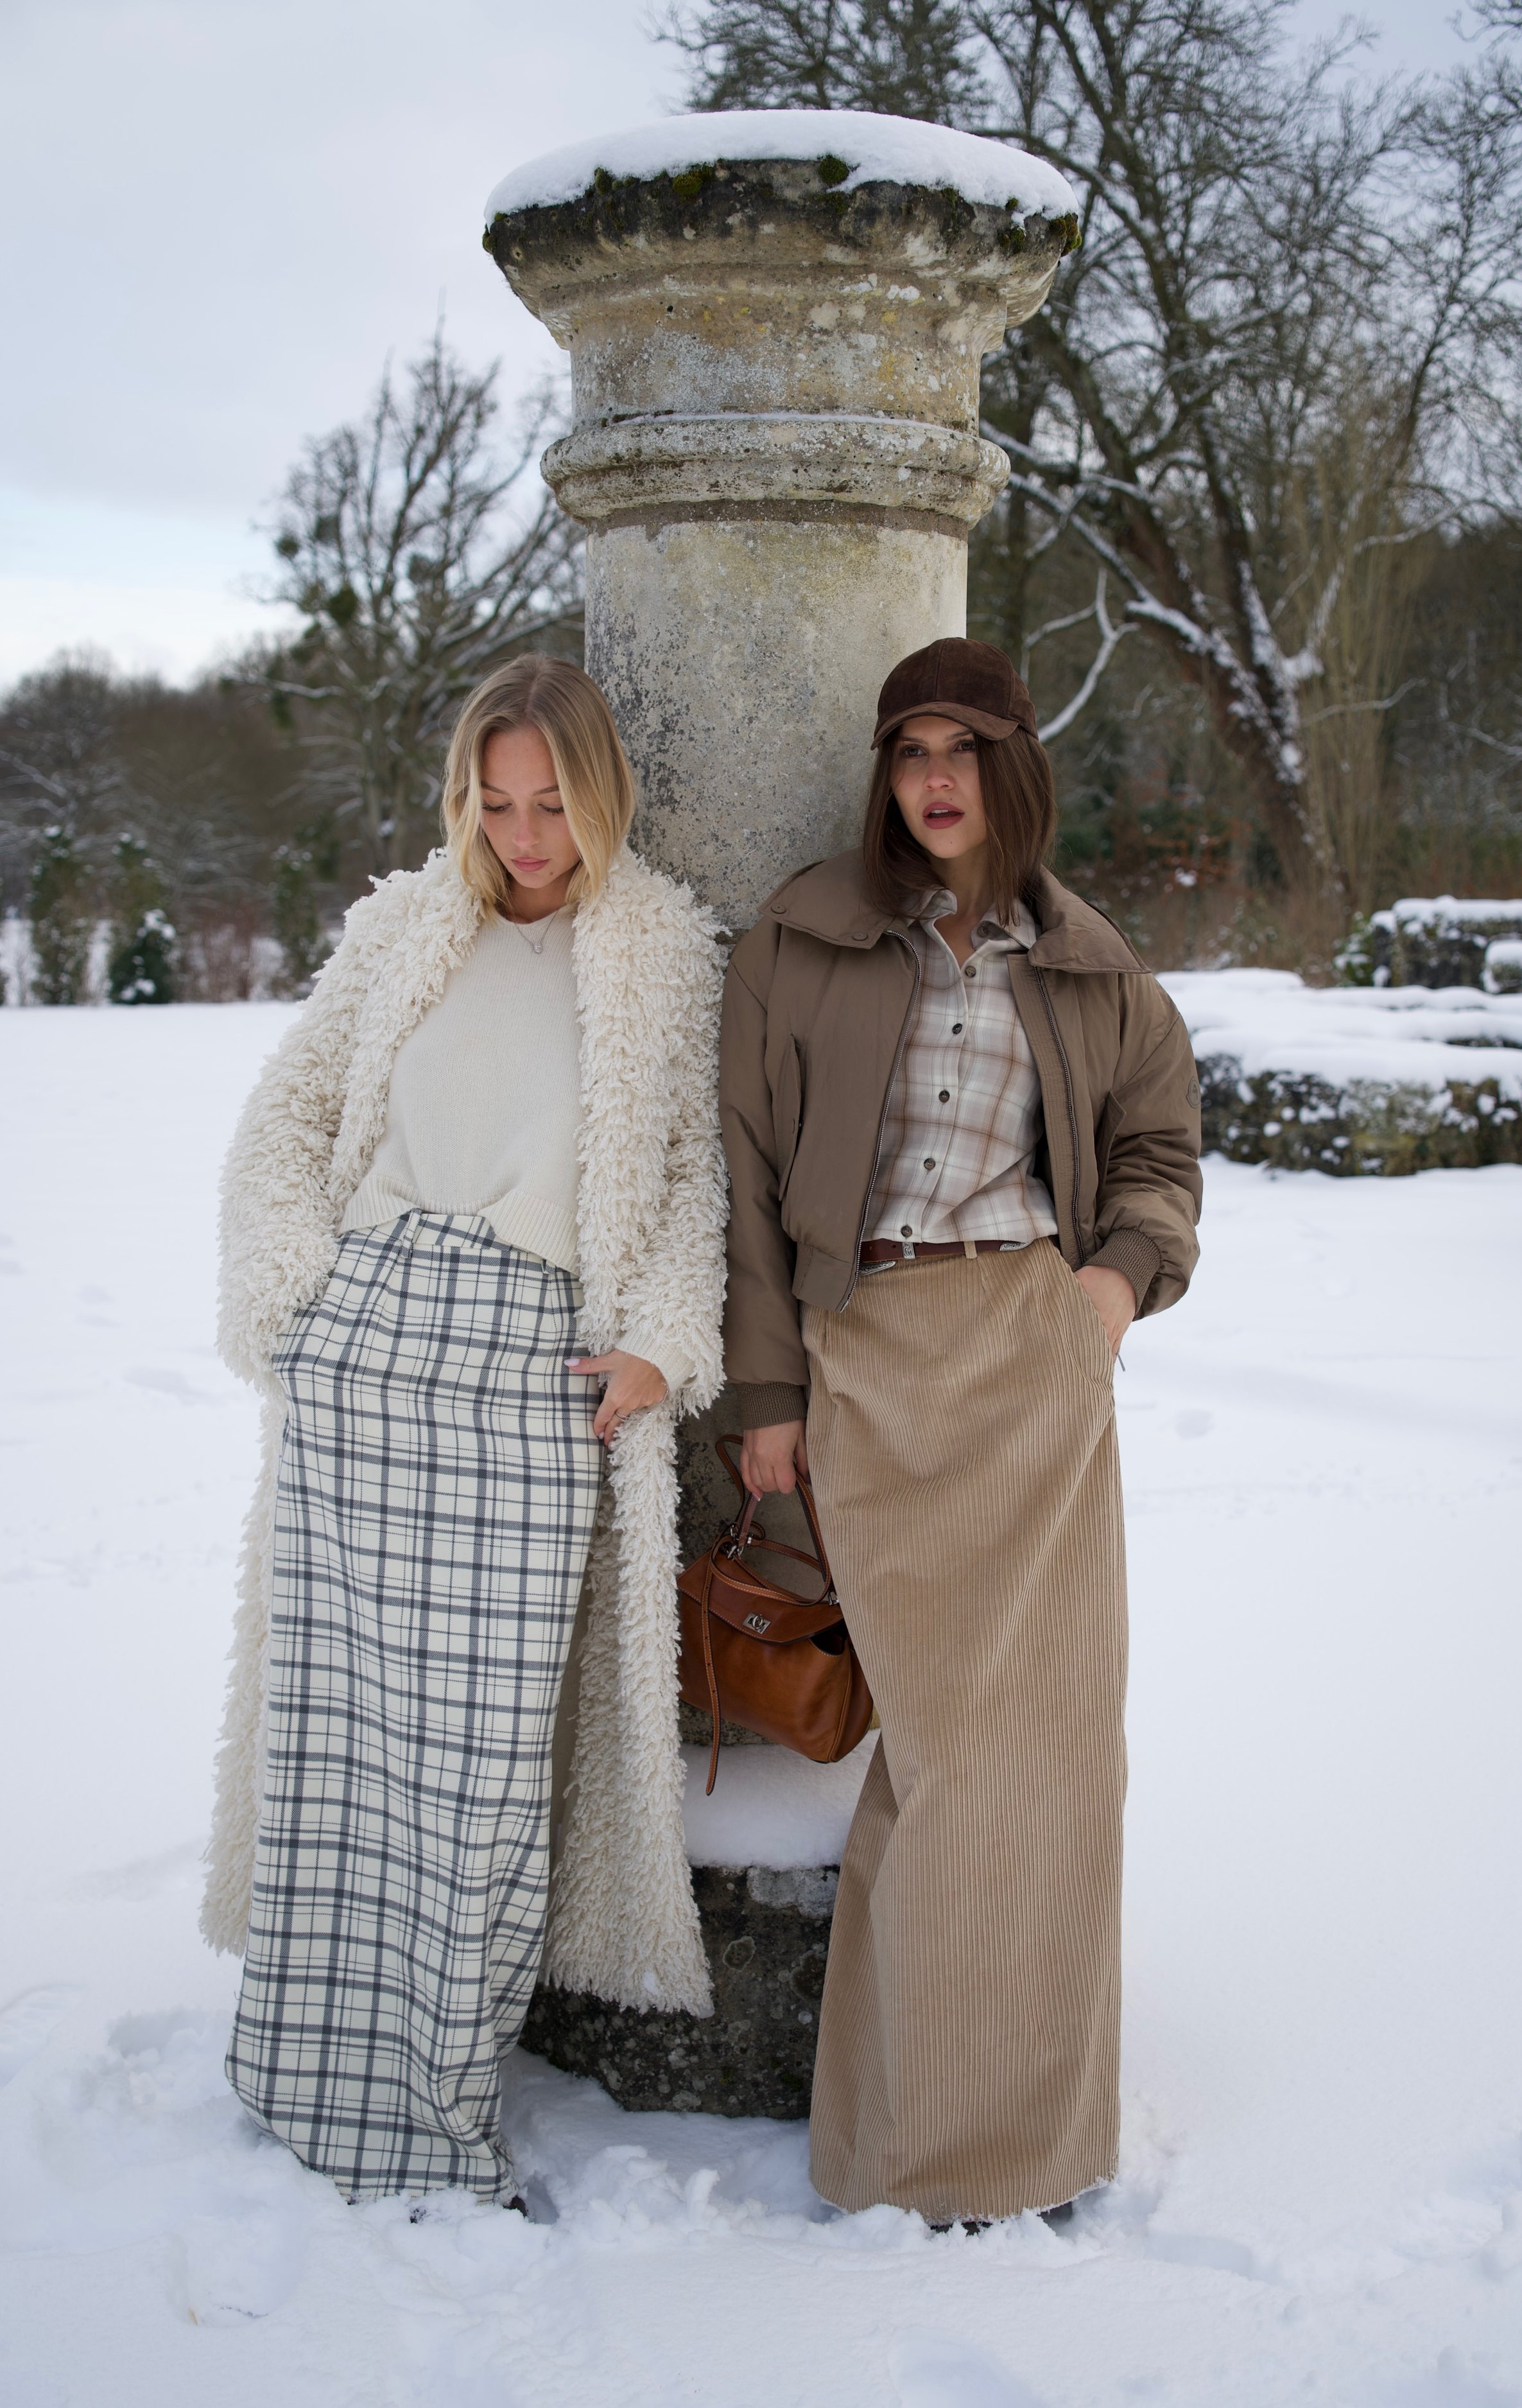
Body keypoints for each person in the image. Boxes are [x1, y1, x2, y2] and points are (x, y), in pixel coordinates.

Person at [200, 654, 726, 2206]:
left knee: (478, 1776)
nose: (520, 833)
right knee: (334, 1747)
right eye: (492, 803)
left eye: (548, 802)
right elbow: (281, 1124)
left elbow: (696, 1171)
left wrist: (662, 1345)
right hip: (364, 1355)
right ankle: (299, 2078)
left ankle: (430, 2113)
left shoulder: (660, 954)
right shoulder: (403, 926)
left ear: (600, 791)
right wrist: (293, 1304)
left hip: (527, 1374)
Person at [720, 637, 1203, 2225]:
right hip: (871, 1358)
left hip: (1030, 1356)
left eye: (965, 748)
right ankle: (903, 2149)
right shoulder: (798, 938)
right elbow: (741, 1181)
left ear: (1014, 768)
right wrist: (772, 1392)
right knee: (933, 1756)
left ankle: (1034, 2145)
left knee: (1055, 1758)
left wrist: (1112, 1293)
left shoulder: (1085, 958)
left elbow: (1158, 1146)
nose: (934, 778)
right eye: (908, 748)